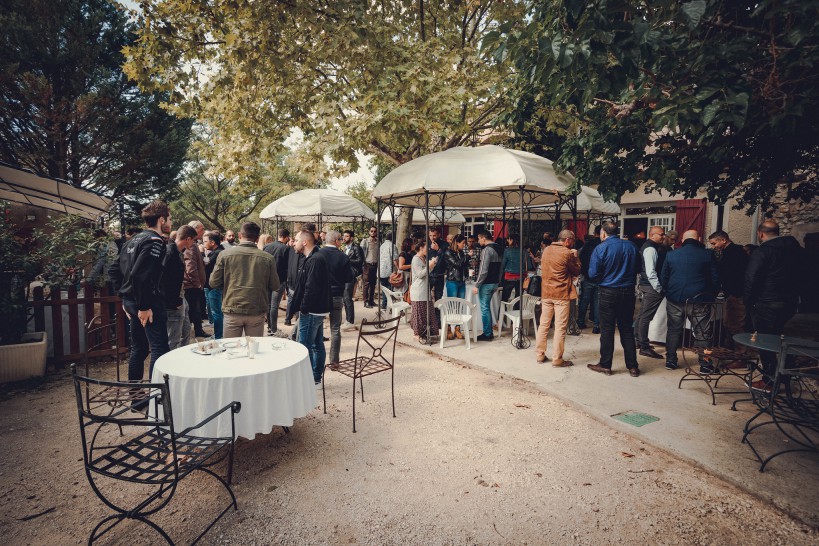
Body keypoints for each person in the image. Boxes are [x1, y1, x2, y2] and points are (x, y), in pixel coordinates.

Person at [108, 200, 171, 382]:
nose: (171, 222)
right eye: (169, 218)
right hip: (147, 303)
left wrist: (124, 299)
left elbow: (114, 271)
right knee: (159, 349)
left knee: (139, 348)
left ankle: (135, 398)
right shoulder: (154, 241)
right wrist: (143, 306)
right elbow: (139, 275)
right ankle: (156, 400)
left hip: (132, 301)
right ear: (161, 220)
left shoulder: (131, 241)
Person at [744, 220, 804, 387]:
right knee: (784, 341)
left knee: (766, 342)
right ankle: (784, 376)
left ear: (761, 234)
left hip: (766, 303)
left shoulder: (762, 252)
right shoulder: (795, 250)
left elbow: (751, 278)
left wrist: (748, 302)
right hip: (790, 303)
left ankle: (770, 380)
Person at [586, 221, 641, 377]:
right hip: (628, 292)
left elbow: (593, 273)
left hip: (608, 290)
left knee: (607, 329)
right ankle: (633, 367)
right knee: (626, 329)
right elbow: (638, 268)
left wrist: (605, 277)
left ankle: (605, 364)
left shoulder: (601, 248)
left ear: (603, 233)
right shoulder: (631, 246)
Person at [659, 230, 719, 371]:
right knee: (702, 332)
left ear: (683, 239)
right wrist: (711, 296)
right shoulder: (707, 254)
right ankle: (705, 365)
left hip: (675, 298)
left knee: (673, 330)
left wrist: (669, 292)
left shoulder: (671, 254)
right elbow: (715, 278)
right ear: (698, 238)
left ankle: (671, 361)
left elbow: (663, 277)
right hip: (700, 299)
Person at [209, 222, 280, 337]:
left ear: (239, 235)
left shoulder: (224, 255)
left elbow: (213, 282)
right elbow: (275, 285)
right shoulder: (268, 258)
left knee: (231, 350)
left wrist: (229, 283)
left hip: (232, 309)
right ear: (257, 238)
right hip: (256, 310)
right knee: (252, 350)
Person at [290, 230, 332, 384]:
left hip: (312, 310)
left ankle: (308, 379)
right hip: (316, 309)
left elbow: (311, 288)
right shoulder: (314, 257)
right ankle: (315, 377)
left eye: (296, 240)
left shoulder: (315, 259)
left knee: (305, 345)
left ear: (305, 242)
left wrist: (304, 308)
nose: (294, 243)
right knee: (316, 344)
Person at [536, 230, 581, 367]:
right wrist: (576, 256)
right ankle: (557, 359)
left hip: (546, 293)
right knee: (560, 327)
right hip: (561, 294)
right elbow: (577, 271)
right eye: (572, 241)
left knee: (543, 325)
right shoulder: (567, 253)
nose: (572, 244)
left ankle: (539, 355)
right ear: (567, 240)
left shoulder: (547, 250)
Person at [707, 230, 749, 346]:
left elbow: (735, 275)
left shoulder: (734, 252)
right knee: (729, 324)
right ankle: (733, 352)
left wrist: (732, 293)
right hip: (733, 293)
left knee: (735, 325)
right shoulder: (732, 251)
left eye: (714, 243)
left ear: (723, 240)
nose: (713, 247)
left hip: (735, 294)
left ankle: (740, 354)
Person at [320, 230, 354, 369]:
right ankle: (334, 361)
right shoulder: (342, 257)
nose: (341, 241)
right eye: (340, 239)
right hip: (336, 294)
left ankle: (317, 360)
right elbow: (349, 278)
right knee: (335, 329)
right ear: (336, 241)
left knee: (317, 327)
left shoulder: (318, 254)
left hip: (320, 295)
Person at [163, 226, 197, 349]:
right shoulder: (170, 253)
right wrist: (174, 301)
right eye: (193, 240)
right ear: (188, 239)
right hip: (173, 301)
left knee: (186, 330)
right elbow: (165, 280)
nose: (194, 243)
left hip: (180, 298)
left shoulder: (177, 252)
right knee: (173, 338)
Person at [635, 226, 666, 359]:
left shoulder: (650, 247)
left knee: (642, 315)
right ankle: (644, 346)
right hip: (651, 287)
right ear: (652, 235)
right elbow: (650, 272)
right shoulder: (650, 249)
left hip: (647, 286)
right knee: (646, 317)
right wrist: (658, 288)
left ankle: (639, 341)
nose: (663, 237)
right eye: (661, 235)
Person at [473, 230, 502, 341]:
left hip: (486, 283)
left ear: (484, 238)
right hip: (494, 283)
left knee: (485, 308)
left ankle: (487, 333)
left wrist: (477, 284)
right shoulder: (499, 248)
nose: (478, 241)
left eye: (479, 239)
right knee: (487, 307)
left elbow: (483, 270)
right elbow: (501, 268)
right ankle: (488, 331)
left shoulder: (486, 250)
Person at [410, 241, 440, 343]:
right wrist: (429, 265)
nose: (428, 250)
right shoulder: (415, 259)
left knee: (426, 312)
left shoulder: (423, 258)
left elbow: (427, 273)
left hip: (424, 289)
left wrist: (432, 264)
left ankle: (425, 332)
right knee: (419, 313)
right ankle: (417, 334)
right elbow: (420, 274)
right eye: (426, 248)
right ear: (421, 248)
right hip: (418, 290)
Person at [263, 229, 292, 336]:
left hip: (267, 279)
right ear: (286, 237)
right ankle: (273, 329)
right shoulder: (286, 248)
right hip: (279, 280)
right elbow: (288, 266)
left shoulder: (267, 247)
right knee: (274, 305)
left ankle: (270, 328)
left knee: (269, 305)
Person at [183, 220, 208, 338]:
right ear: (195, 229)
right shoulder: (191, 245)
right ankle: (196, 331)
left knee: (195, 310)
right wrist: (197, 283)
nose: (203, 231)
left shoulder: (193, 244)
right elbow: (190, 266)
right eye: (202, 229)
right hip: (192, 286)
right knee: (194, 310)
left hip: (193, 285)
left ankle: (198, 330)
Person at [442, 234, 468, 339]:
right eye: (463, 243)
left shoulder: (461, 253)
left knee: (460, 306)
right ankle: (449, 328)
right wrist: (467, 257)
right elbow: (457, 264)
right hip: (452, 281)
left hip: (462, 281)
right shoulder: (448, 252)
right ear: (457, 243)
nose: (464, 245)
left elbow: (464, 266)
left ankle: (458, 329)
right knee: (452, 306)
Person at [577, 226, 601, 333]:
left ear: (595, 233)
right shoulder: (604, 245)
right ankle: (596, 325)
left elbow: (581, 258)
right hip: (601, 278)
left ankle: (580, 321)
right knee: (597, 302)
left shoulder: (587, 245)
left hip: (587, 277)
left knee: (584, 301)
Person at [202, 230, 224, 339]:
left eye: (205, 241)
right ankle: (218, 334)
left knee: (217, 313)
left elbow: (206, 265)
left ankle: (219, 336)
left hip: (214, 287)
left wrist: (201, 253)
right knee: (217, 312)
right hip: (213, 287)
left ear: (212, 242)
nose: (203, 244)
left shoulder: (217, 253)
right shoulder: (218, 252)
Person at [342, 229, 364, 330]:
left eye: (346, 236)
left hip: (352, 274)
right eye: (344, 236)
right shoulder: (345, 248)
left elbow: (360, 261)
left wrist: (347, 259)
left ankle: (350, 321)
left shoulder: (356, 248)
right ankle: (348, 320)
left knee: (347, 297)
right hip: (345, 274)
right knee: (345, 297)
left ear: (351, 238)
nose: (344, 238)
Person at [500, 234, 532, 303]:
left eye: (508, 239)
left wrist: (500, 278)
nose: (507, 241)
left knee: (504, 299)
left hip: (509, 277)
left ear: (511, 240)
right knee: (518, 299)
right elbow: (529, 266)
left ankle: (503, 312)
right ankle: (516, 312)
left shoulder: (507, 250)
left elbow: (503, 265)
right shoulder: (525, 251)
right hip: (521, 277)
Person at [427, 227, 449, 306]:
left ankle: (437, 316)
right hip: (428, 274)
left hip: (440, 274)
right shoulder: (426, 244)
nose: (432, 237)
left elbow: (447, 258)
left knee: (438, 297)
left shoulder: (445, 244)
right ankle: (428, 314)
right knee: (425, 296)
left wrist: (438, 249)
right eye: (430, 235)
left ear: (439, 235)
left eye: (434, 235)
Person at [378, 233, 399, 309]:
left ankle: (384, 304)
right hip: (389, 271)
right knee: (390, 289)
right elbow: (395, 259)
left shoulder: (382, 246)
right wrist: (399, 268)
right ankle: (388, 305)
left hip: (381, 270)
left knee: (384, 289)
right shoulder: (392, 246)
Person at [360, 226, 379, 307]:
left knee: (373, 283)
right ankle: (366, 301)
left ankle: (371, 300)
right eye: (371, 231)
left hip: (375, 265)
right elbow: (361, 253)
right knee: (366, 283)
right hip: (367, 264)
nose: (373, 233)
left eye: (374, 231)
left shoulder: (378, 242)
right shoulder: (365, 241)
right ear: (369, 232)